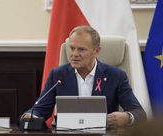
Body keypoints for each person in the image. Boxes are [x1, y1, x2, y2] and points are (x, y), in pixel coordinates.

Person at [18, 25, 146, 128]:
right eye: (72, 48)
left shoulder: (116, 76)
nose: (74, 54)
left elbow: (139, 113)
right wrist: (30, 115)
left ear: (96, 51)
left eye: (81, 49)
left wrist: (127, 117)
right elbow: (41, 109)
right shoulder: (58, 76)